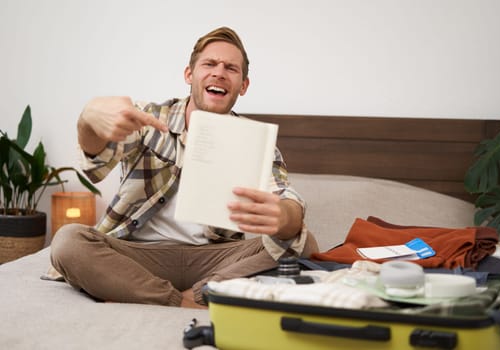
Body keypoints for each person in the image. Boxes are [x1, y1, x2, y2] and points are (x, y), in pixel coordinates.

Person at [50, 26, 319, 308]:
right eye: (209, 64)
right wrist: (88, 118)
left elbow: (287, 200)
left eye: (230, 68)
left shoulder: (256, 142)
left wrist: (285, 217)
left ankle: (173, 293)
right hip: (137, 255)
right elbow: (96, 164)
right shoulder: (147, 118)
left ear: (243, 85)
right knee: (68, 241)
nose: (219, 72)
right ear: (189, 75)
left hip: (214, 260)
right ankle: (184, 302)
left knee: (305, 243)